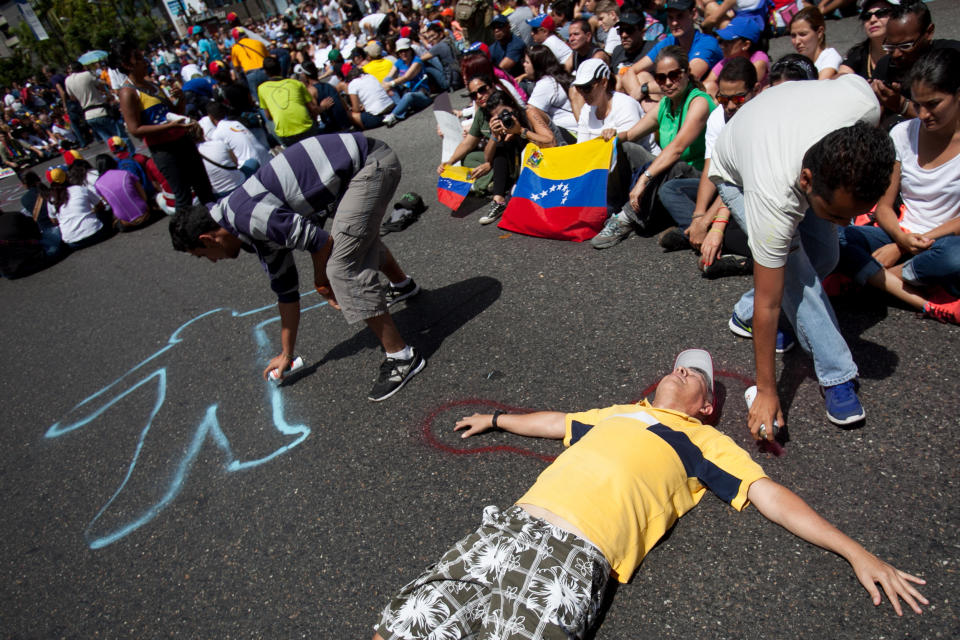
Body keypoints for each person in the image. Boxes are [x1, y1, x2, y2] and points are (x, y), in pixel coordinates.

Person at [373, 349, 927, 640]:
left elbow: (770, 495)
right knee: (401, 624)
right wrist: (497, 418)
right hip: (506, 527)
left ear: (706, 406)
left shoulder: (703, 441)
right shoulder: (617, 413)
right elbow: (556, 422)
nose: (684, 368)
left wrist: (857, 551)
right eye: (679, 364)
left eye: (696, 375)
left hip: (572, 554)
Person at [169, 133, 425, 401]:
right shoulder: (244, 227)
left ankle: (402, 357)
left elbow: (320, 241)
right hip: (361, 166)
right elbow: (285, 291)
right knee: (353, 238)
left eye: (203, 255)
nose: (211, 260)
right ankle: (403, 285)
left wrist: (321, 281)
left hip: (371, 164)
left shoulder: (245, 216)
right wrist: (286, 354)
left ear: (207, 239)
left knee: (339, 267)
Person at [708, 75, 895, 434]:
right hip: (738, 176)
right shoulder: (774, 195)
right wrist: (766, 391)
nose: (847, 223)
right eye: (838, 215)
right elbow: (769, 301)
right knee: (799, 275)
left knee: (827, 256)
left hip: (782, 135)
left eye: (853, 214)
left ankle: (742, 315)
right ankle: (837, 372)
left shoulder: (864, 110)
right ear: (807, 182)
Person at [837, 49, 960, 326]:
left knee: (955, 257)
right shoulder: (902, 133)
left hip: (943, 242)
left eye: (934, 103)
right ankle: (916, 291)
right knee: (834, 237)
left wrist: (904, 248)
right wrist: (900, 240)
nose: (923, 114)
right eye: (917, 104)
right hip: (899, 235)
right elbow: (883, 206)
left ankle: (872, 280)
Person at [592, 46, 715, 249]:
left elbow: (677, 147)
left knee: (670, 163)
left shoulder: (699, 102)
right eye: (660, 78)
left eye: (674, 75)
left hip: (701, 181)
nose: (667, 82)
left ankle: (627, 219)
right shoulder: (666, 103)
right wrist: (613, 135)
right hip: (674, 175)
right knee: (625, 147)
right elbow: (632, 134)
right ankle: (614, 204)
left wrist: (644, 178)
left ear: (686, 73)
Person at [659, 57, 757, 278]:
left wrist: (714, 226)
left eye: (738, 99)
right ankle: (697, 233)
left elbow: (739, 186)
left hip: (752, 195)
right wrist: (699, 216)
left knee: (765, 238)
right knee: (671, 189)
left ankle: (738, 257)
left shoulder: (758, 121)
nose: (730, 106)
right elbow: (711, 171)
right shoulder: (717, 118)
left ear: (755, 91)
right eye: (723, 98)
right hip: (728, 193)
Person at [111, 40, 216, 210]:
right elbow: (135, 129)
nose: (144, 60)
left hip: (183, 141)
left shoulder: (152, 85)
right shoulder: (127, 92)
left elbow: (174, 113)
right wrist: (170, 126)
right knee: (183, 198)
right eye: (137, 57)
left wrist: (180, 99)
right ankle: (189, 234)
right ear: (126, 64)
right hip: (164, 151)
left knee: (204, 189)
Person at [869, 0, 960, 124]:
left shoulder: (953, 57)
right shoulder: (885, 66)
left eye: (905, 46)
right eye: (890, 47)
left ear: (929, 32)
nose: (896, 54)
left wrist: (902, 105)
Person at [622, 0, 722, 105]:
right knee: (642, 76)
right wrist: (644, 102)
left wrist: (644, 89)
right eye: (670, 17)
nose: (674, 23)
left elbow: (687, 78)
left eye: (680, 16)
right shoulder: (668, 42)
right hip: (673, 101)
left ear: (693, 14)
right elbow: (630, 72)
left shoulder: (707, 42)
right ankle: (657, 115)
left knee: (708, 87)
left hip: (700, 103)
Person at [258, 56, 322, 147]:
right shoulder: (296, 83)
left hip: (286, 134)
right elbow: (313, 109)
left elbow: (268, 117)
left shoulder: (261, 88)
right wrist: (323, 107)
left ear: (265, 72)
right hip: (306, 128)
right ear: (280, 69)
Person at [46, 164, 114, 250]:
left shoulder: (51, 199)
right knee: (106, 212)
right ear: (67, 177)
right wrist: (93, 211)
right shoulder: (79, 189)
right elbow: (101, 206)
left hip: (72, 242)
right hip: (96, 233)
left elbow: (54, 221)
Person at [522, 45, 578, 145]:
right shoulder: (558, 76)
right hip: (577, 130)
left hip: (568, 135)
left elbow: (531, 115)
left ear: (537, 65)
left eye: (527, 62)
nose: (524, 65)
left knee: (530, 111)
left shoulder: (546, 84)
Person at [703, 14, 769, 97]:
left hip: (752, 102)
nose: (722, 45)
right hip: (732, 101)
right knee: (709, 87)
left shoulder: (759, 59)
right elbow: (706, 84)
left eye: (729, 41)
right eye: (722, 41)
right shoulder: (727, 61)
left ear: (746, 45)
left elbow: (742, 90)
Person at [205, 101, 271, 177]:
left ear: (210, 117)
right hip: (266, 157)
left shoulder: (217, 134)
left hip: (253, 167)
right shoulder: (236, 123)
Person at [381, 38, 434, 127]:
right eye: (401, 51)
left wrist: (390, 85)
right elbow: (389, 77)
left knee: (408, 95)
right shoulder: (399, 62)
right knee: (387, 81)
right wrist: (386, 84)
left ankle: (394, 115)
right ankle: (401, 106)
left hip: (421, 94)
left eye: (406, 50)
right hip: (407, 91)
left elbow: (407, 77)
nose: (403, 53)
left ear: (411, 51)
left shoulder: (417, 61)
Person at [838, 0, 894, 81]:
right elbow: (840, 79)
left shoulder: (907, 52)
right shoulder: (858, 53)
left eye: (881, 13)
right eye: (867, 15)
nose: (872, 20)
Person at [93, 154, 153, 231]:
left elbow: (110, 204)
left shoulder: (97, 184)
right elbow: (144, 196)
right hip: (145, 215)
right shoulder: (125, 173)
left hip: (126, 223)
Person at [789, 7, 843, 80]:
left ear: (819, 32)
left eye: (803, 34)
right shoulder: (797, 63)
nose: (797, 41)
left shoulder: (830, 58)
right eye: (793, 36)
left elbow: (819, 87)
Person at [345, 66, 396, 130]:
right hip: (392, 108)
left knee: (351, 115)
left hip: (377, 117)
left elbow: (356, 109)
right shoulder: (370, 76)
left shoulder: (352, 84)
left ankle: (362, 128)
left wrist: (353, 108)